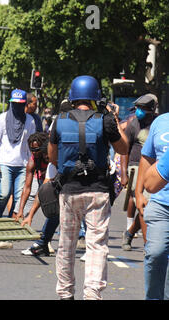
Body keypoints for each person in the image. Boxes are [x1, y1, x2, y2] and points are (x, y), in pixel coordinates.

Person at [48, 75, 128, 300]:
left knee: (66, 244)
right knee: (96, 245)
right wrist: (114, 117)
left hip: (69, 191)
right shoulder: (105, 120)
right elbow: (122, 148)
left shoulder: (59, 119)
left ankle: (65, 293)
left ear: (72, 97)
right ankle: (92, 294)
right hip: (97, 192)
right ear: (96, 97)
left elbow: (52, 154)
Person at [137, 110, 169, 300]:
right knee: (156, 253)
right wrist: (139, 192)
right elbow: (147, 157)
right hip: (161, 203)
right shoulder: (161, 122)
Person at [120, 94, 158, 250]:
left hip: (155, 170)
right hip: (136, 168)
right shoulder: (133, 123)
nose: (139, 111)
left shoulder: (159, 123)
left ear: (151, 110)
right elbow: (124, 149)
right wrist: (123, 173)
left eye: (142, 108)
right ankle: (147, 245)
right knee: (144, 207)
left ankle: (129, 233)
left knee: (150, 207)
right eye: (138, 108)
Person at [0, 89, 36, 218]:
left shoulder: (30, 120)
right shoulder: (2, 118)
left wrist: (32, 163)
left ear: (25, 105)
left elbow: (33, 143)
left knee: (18, 198)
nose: (17, 106)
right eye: (14, 104)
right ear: (11, 104)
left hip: (23, 165)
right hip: (5, 163)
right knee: (3, 194)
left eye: (20, 104)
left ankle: (11, 222)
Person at [11, 132, 55, 256]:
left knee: (52, 212)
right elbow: (27, 187)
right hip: (43, 180)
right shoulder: (33, 159)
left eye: (36, 149)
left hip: (54, 181)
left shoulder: (51, 156)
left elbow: (42, 192)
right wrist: (21, 210)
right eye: (31, 149)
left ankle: (46, 242)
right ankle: (10, 238)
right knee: (19, 212)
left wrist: (30, 215)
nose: (33, 152)